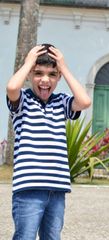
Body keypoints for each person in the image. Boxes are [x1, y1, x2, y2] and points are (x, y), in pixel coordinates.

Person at [6, 43, 91, 240]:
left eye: (52, 74)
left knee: (52, 237)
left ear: (59, 77)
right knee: (24, 236)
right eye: (38, 73)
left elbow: (85, 101)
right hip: (28, 189)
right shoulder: (23, 101)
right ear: (29, 75)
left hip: (57, 188)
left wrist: (64, 67)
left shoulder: (61, 102)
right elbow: (11, 87)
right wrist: (28, 62)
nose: (45, 80)